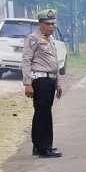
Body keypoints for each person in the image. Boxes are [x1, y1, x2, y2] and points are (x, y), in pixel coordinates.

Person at [22, 9, 63, 159]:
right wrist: (27, 83)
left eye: (53, 24)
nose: (51, 27)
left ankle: (40, 146)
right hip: (40, 81)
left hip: (50, 80)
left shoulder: (50, 39)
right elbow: (26, 61)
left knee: (44, 113)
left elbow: (54, 63)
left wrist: (58, 83)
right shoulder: (33, 38)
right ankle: (44, 148)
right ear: (40, 24)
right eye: (48, 24)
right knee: (43, 113)